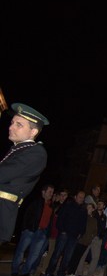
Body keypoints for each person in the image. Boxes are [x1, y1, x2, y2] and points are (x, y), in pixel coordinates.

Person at [0, 103, 49, 245]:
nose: (11, 127)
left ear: (33, 132)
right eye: (12, 123)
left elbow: (3, 174)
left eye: (19, 125)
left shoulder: (36, 153)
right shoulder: (18, 150)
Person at [10, 184, 54, 276]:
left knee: (34, 254)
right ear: (43, 192)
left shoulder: (51, 206)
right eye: (49, 192)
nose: (51, 194)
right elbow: (27, 215)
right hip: (31, 230)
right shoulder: (36, 202)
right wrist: (25, 228)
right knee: (21, 250)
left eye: (52, 192)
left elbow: (49, 221)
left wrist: (47, 233)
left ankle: (25, 272)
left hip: (42, 233)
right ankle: (15, 270)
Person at [43, 190, 87, 276]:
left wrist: (80, 233)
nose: (81, 199)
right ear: (75, 197)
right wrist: (62, 230)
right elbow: (60, 218)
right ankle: (49, 273)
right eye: (80, 197)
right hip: (64, 234)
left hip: (74, 236)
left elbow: (83, 223)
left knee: (68, 256)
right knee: (57, 253)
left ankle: (60, 274)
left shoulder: (83, 209)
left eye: (83, 198)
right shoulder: (68, 205)